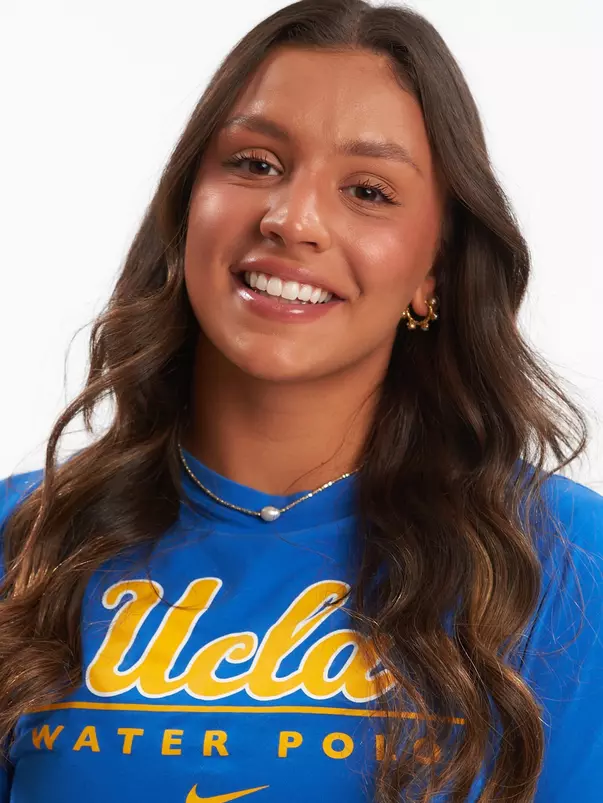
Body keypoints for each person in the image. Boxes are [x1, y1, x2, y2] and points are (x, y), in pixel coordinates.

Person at [1, 0, 602, 800]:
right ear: (186, 210)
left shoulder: (560, 558)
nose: (291, 220)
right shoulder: (25, 543)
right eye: (254, 163)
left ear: (432, 272)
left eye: (367, 190)